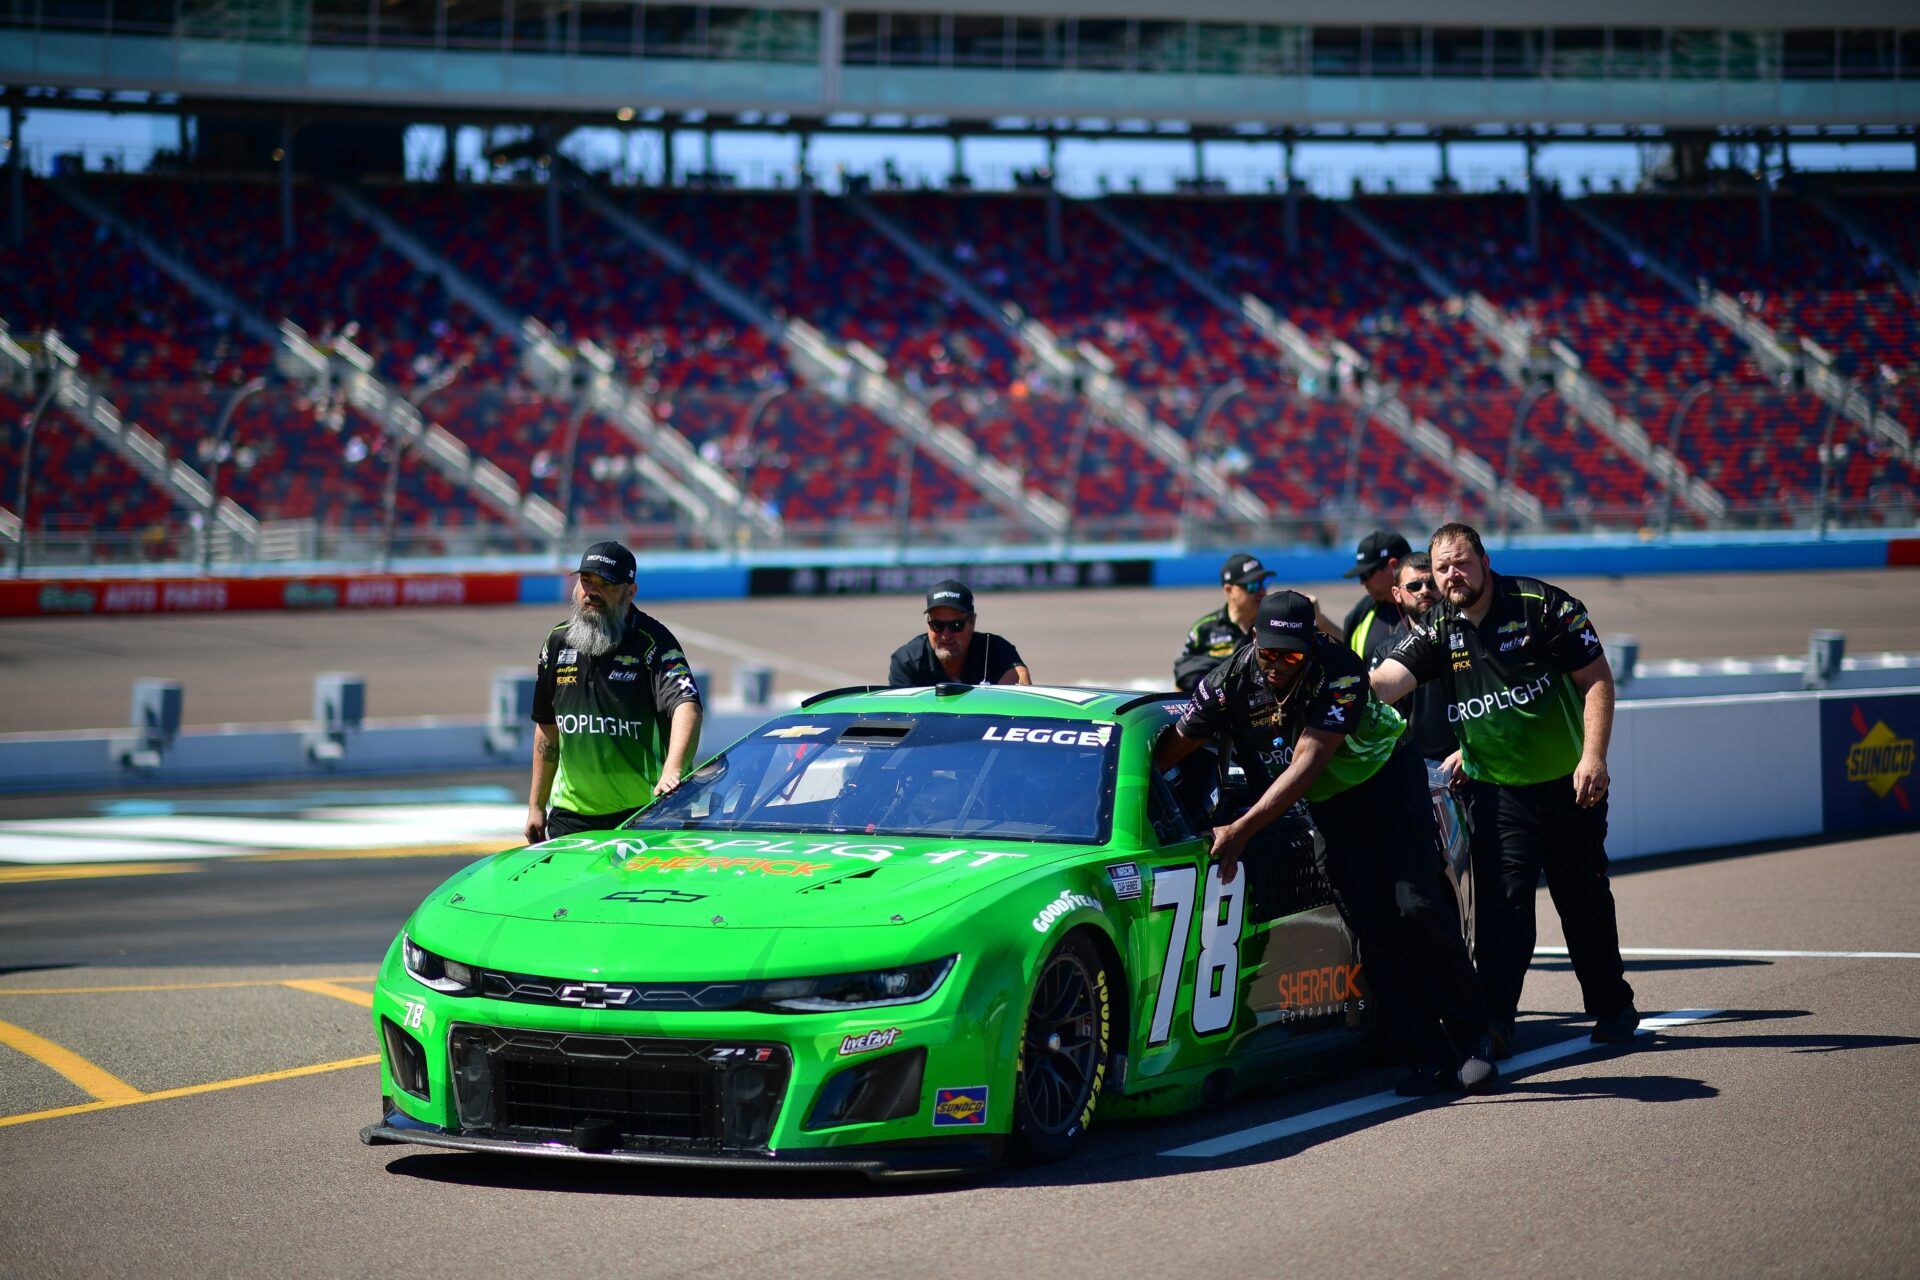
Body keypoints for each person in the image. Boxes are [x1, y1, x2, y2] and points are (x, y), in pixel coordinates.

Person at [1156, 590, 1496, 1095]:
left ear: (1311, 644)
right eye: (1268, 653)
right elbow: (1172, 747)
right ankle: (1426, 1056)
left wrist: (1242, 829)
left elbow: (1308, 762)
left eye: (1290, 656)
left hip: (1387, 783)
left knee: (1416, 905)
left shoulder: (1341, 668)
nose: (1276, 666)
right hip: (1331, 806)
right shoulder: (1227, 680)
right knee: (1372, 930)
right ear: (1254, 640)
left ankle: (1474, 1038)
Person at [1370, 522, 1638, 1052]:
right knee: (1502, 912)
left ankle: (1613, 1008)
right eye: (1441, 567)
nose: (1451, 575)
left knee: (1583, 903)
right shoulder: (1438, 627)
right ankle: (1495, 1022)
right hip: (1496, 793)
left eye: (1461, 562)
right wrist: (1335, 679)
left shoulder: (1544, 605)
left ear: (1485, 562)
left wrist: (1593, 757)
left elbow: (1598, 680)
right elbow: (1385, 683)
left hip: (1570, 785)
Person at [526, 542, 704, 844]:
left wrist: (672, 772)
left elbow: (687, 706)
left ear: (630, 592)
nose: (591, 592)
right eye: (586, 581)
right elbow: (547, 728)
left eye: (605, 584)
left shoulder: (654, 642)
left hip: (645, 814)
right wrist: (535, 806)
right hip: (570, 818)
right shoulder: (556, 642)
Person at [1382, 551, 1459, 769]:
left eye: (1432, 583)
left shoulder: (1467, 635)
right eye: (1414, 586)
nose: (1425, 590)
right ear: (1397, 594)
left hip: (1470, 758)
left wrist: (1468, 750)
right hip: (1414, 767)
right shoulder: (1385, 651)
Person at [887, 580, 1032, 687]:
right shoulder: (907, 662)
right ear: (928, 622)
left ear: (972, 622)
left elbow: (1018, 698)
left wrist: (1021, 676)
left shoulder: (996, 651)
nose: (946, 635)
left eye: (956, 625)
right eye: (937, 625)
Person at [1173, 553, 1273, 693]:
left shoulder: (1273, 624)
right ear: (1229, 590)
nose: (1262, 591)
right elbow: (1182, 679)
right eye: (1252, 585)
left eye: (1264, 582)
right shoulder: (1203, 629)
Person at [1341, 529, 1412, 666]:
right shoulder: (1362, 611)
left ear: (1393, 566)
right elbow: (1344, 647)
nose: (1362, 582)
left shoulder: (1432, 607)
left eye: (1366, 574)